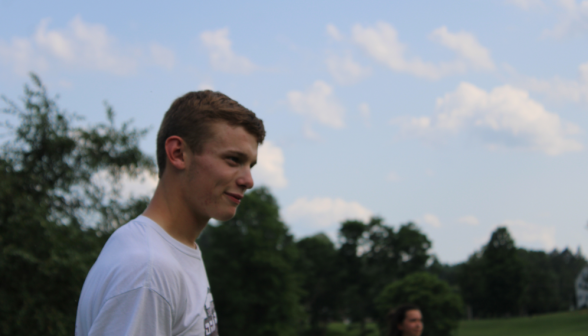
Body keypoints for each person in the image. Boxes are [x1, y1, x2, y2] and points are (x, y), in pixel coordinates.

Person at [75, 90, 265, 336]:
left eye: (250, 165)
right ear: (178, 153)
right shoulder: (148, 269)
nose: (248, 180)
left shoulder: (170, 251)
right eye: (233, 159)